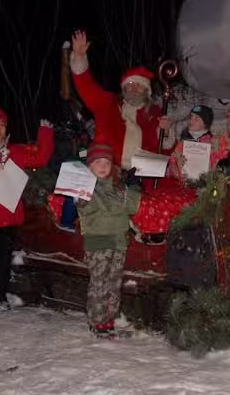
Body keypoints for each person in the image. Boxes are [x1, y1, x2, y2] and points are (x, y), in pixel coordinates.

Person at [0, 107, 54, 313]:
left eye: (1, 125)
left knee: (4, 258)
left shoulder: (15, 151)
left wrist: (46, 134)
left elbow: (40, 158)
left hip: (10, 214)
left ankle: (1, 296)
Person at [69, 31, 170, 170]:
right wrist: (79, 57)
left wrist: (166, 132)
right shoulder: (108, 103)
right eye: (130, 85)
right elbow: (86, 87)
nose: (134, 89)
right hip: (107, 172)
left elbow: (165, 152)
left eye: (139, 86)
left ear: (147, 91)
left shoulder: (156, 113)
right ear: (123, 88)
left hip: (143, 177)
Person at [78, 141, 142, 338]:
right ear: (89, 166)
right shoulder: (87, 189)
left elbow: (131, 208)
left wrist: (134, 188)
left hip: (118, 242)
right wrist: (83, 198)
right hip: (98, 243)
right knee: (99, 283)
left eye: (106, 162)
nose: (103, 166)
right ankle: (97, 321)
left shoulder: (118, 187)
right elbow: (108, 207)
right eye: (97, 162)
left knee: (114, 283)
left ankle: (109, 319)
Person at [167, 98, 230, 181]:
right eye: (191, 117)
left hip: (208, 190)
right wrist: (175, 168)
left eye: (196, 118)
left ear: (205, 123)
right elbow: (172, 165)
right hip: (185, 189)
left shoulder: (215, 143)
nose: (191, 121)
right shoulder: (182, 144)